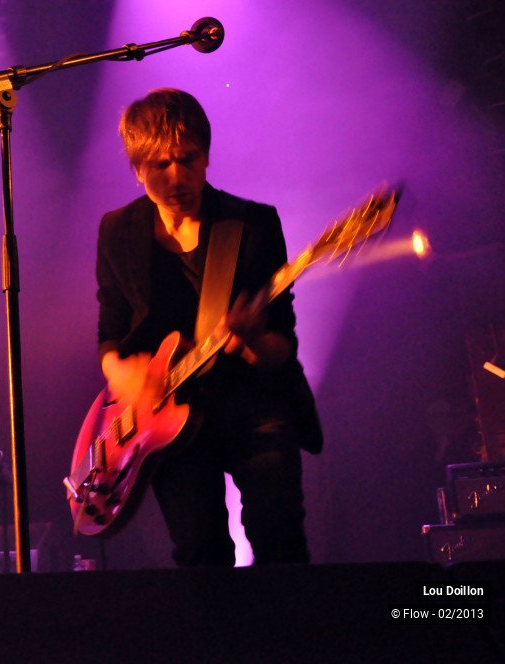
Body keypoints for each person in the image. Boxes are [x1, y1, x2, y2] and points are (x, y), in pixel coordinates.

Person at [96, 88, 322, 566]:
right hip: (168, 422)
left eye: (188, 159)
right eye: (160, 164)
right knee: (200, 553)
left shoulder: (254, 225)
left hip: (255, 409)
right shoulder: (118, 231)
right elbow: (110, 330)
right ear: (137, 170)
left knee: (279, 538)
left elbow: (282, 348)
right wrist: (122, 373)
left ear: (206, 156)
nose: (177, 177)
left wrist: (252, 338)